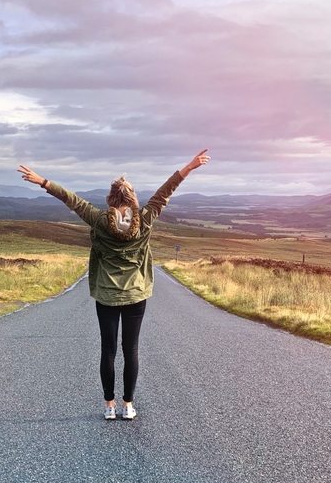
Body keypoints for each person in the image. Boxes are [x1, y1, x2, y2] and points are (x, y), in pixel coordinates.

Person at [18, 150, 210, 420]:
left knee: (108, 350)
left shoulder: (98, 219)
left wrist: (43, 182)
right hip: (136, 294)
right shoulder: (144, 218)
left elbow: (71, 200)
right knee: (130, 349)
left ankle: (109, 406)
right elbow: (166, 191)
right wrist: (190, 166)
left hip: (106, 296)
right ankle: (128, 405)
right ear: (132, 198)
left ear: (111, 198)